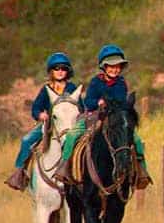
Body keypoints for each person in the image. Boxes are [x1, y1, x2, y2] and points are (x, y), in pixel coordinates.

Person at [54, 44, 152, 189]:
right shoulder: (95, 82)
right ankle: (65, 166)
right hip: (94, 116)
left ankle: (141, 172)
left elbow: (121, 101)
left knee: (136, 140)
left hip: (115, 118)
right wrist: (98, 102)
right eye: (111, 66)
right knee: (72, 135)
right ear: (104, 67)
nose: (115, 69)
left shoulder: (121, 83)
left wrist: (118, 106)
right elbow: (88, 101)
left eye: (118, 66)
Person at [5, 52, 82, 191]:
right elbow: (36, 107)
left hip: (69, 125)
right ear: (51, 71)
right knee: (27, 140)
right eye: (56, 68)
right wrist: (40, 115)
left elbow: (81, 106)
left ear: (68, 71)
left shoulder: (72, 88)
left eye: (63, 68)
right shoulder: (46, 88)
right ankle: (19, 173)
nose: (60, 71)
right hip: (49, 124)